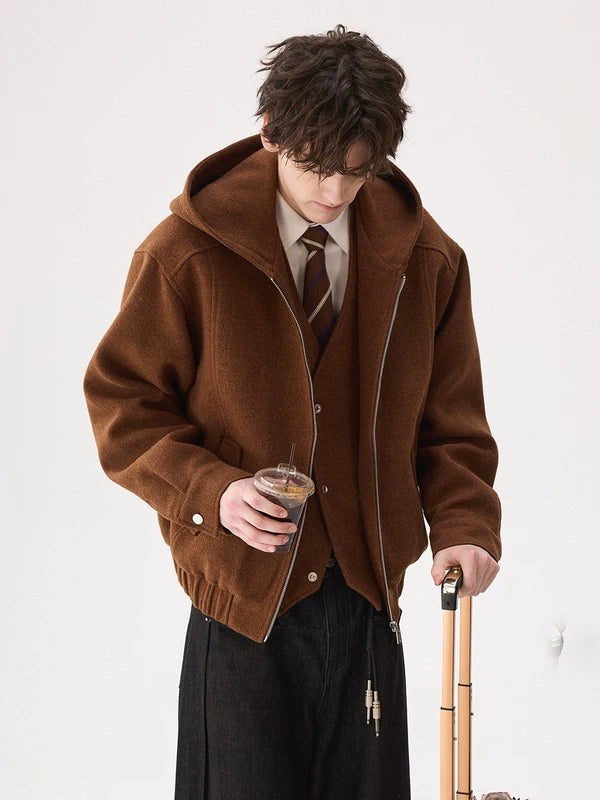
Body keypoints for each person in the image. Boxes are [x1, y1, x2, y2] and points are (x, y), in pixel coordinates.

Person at [83, 23, 501, 800]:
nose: (334, 192)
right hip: (240, 612)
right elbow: (123, 406)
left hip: (371, 606)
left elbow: (453, 425)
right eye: (315, 165)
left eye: (358, 170)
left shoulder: (429, 261)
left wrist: (467, 526)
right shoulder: (183, 254)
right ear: (271, 130)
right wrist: (212, 492)